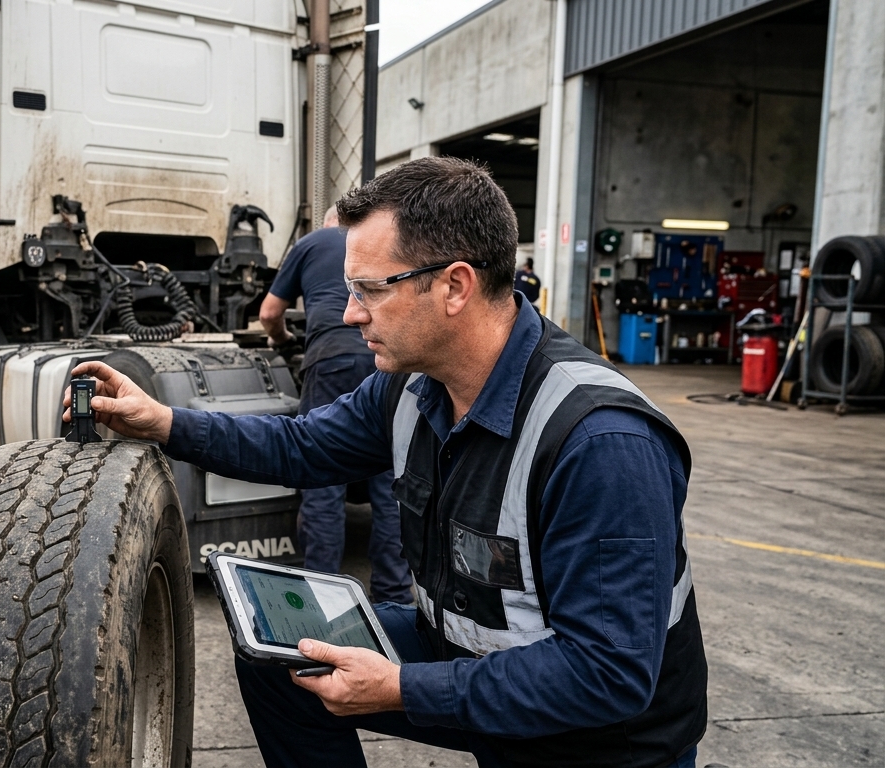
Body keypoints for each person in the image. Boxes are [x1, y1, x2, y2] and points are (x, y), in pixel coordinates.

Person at [64, 157, 707, 768]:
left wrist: (402, 688)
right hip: (465, 650)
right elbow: (305, 446)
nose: (349, 314)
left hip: (598, 743)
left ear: (455, 285)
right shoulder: (415, 384)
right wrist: (166, 422)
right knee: (283, 660)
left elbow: (607, 675)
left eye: (370, 289)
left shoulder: (602, 446)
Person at [257, 206, 413, 605]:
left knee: (323, 475)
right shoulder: (383, 240)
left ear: (327, 224)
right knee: (390, 482)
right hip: (387, 355)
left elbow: (269, 313)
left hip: (330, 359)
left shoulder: (310, 243)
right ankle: (393, 599)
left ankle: (322, 598)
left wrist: (283, 340)